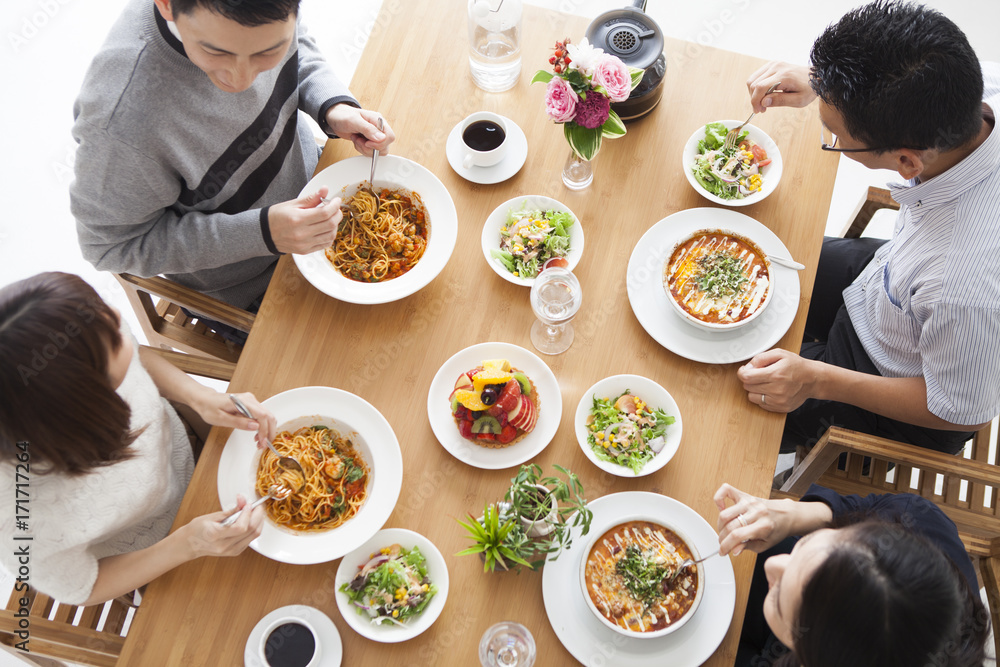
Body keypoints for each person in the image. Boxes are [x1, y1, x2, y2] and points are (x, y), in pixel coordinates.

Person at [735, 1, 1000, 456]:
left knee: (729, 393)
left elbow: (961, 411)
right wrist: (825, 85)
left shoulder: (960, 288)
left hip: (892, 380)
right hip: (888, 280)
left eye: (835, 135)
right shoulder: (960, 97)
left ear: (906, 161)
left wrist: (817, 379)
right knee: (757, 260)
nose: (832, 137)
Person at [71, 0, 396, 316]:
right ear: (166, 4)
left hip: (318, 181)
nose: (242, 82)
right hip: (251, 286)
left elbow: (298, 45)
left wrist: (331, 104)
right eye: (216, 52)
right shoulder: (120, 123)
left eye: (267, 52)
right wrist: (262, 232)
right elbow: (109, 246)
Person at [0, 272, 278, 605]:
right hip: (161, 555)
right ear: (82, 405)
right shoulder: (19, 519)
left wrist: (197, 396)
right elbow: (84, 588)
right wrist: (187, 543)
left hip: (198, 457)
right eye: (115, 339)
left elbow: (138, 356)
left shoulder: (80, 337)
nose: (121, 321)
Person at [714, 483, 989, 666]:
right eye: (807, 543)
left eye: (780, 603)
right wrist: (795, 515)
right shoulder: (916, 518)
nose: (771, 564)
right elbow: (862, 508)